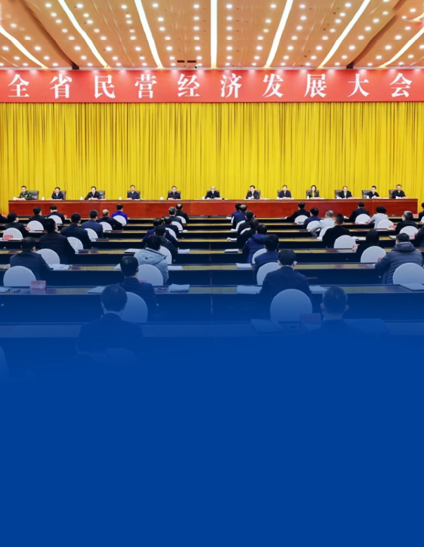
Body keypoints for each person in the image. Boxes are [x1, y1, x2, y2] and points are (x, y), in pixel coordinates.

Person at [77, 285, 143, 356]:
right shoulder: (134, 330)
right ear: (124, 307)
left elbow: (82, 356)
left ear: (102, 305)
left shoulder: (87, 328)